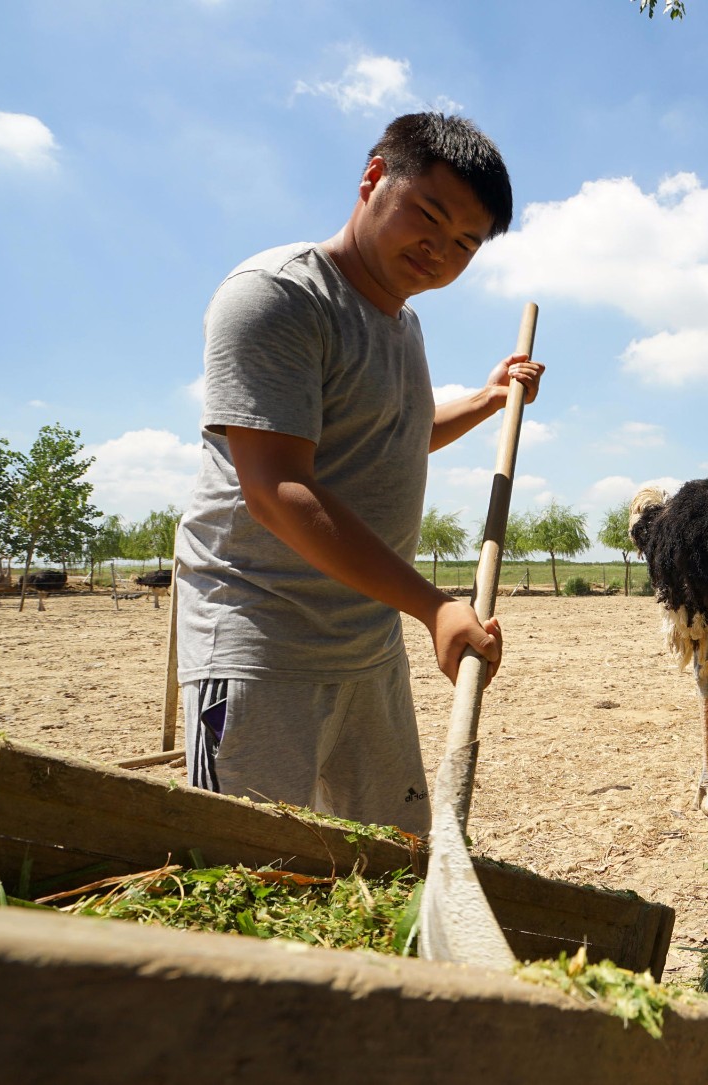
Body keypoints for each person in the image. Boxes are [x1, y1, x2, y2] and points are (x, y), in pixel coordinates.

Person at [174, 113, 543, 834]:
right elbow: (278, 490)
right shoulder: (278, 297)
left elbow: (397, 439)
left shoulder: (403, 324)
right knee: (240, 875)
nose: (441, 250)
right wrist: (435, 606)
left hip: (366, 652)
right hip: (261, 647)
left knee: (388, 865)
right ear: (374, 179)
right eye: (429, 217)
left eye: (466, 244)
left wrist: (488, 397)